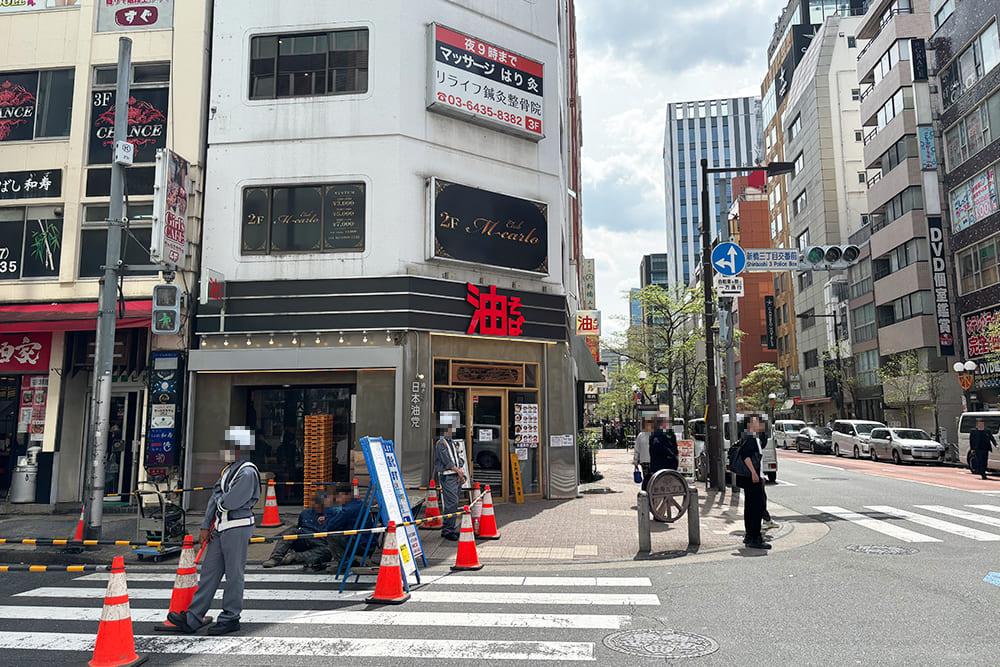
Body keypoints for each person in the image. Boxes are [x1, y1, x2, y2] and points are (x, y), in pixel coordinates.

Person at [168, 427, 261, 635]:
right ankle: (193, 617)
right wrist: (205, 524)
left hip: (237, 527)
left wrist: (219, 499)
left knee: (234, 575)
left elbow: (228, 501)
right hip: (220, 527)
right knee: (209, 573)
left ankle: (230, 617)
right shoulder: (229, 470)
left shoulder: (247, 472)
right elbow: (217, 498)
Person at [262, 493, 335, 569]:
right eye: (318, 505)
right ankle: (275, 558)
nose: (320, 508)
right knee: (292, 532)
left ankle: (293, 557)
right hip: (304, 538)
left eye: (323, 506)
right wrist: (278, 537)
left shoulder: (332, 514)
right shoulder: (306, 513)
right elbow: (298, 527)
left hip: (320, 543)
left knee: (327, 551)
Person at [734, 415, 770, 550]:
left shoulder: (755, 437)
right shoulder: (750, 437)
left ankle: (750, 535)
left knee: (751, 507)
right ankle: (755, 537)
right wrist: (754, 473)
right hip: (752, 477)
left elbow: (764, 441)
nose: (760, 424)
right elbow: (745, 456)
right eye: (756, 422)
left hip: (753, 477)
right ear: (749, 425)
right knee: (756, 507)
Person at [434, 413, 466, 541]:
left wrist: (460, 470)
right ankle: (448, 530)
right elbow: (447, 462)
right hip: (448, 476)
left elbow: (458, 459)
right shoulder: (441, 443)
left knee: (453, 503)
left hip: (454, 476)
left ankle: (448, 528)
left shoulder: (451, 442)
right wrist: (458, 471)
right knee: (451, 503)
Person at [325, 484, 366, 572]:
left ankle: (344, 563)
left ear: (348, 495)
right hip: (363, 539)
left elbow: (331, 526)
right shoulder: (358, 504)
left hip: (360, 542)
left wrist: (328, 518)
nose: (338, 499)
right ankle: (349, 561)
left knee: (332, 536)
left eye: (340, 496)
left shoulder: (348, 509)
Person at [633, 418, 652, 490]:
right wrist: (635, 461)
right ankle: (648, 493)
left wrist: (635, 461)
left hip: (648, 461)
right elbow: (637, 449)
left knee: (648, 478)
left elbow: (637, 449)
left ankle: (647, 493)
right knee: (649, 479)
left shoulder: (641, 435)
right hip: (647, 461)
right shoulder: (641, 435)